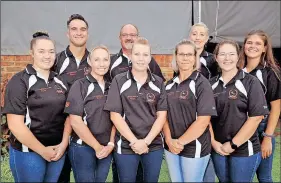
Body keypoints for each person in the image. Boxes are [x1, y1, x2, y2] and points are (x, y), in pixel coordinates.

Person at [3, 31, 71, 182]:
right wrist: (42, 150)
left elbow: (68, 117)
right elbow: (15, 125)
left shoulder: (60, 82)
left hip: (57, 151)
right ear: (31, 53)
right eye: (41, 51)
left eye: (51, 51)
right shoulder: (19, 81)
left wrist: (63, 144)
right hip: (29, 153)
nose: (47, 56)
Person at [104, 37, 167, 182]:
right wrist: (134, 141)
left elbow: (162, 116)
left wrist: (146, 142)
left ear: (150, 57)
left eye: (145, 55)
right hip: (126, 145)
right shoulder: (119, 80)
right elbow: (115, 115)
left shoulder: (158, 82)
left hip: (153, 145)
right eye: (137, 54)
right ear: (131, 56)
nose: (141, 58)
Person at [210, 39, 269, 182]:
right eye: (222, 54)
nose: (227, 58)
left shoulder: (250, 82)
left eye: (231, 54)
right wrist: (213, 142)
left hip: (244, 149)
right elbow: (205, 118)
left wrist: (233, 144)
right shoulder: (210, 84)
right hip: (218, 149)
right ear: (216, 57)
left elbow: (256, 118)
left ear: (238, 56)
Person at [163, 39, 217, 182]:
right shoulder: (168, 85)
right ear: (176, 57)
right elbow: (163, 117)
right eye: (181, 54)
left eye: (189, 54)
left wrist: (179, 143)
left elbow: (203, 121)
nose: (185, 58)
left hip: (195, 147)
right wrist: (169, 140)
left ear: (195, 58)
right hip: (171, 146)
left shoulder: (202, 83)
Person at [64, 46, 115, 182]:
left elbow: (116, 118)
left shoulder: (112, 87)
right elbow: (75, 121)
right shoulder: (79, 85)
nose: (101, 63)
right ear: (90, 62)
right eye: (97, 59)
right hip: (83, 147)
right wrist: (97, 147)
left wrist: (110, 144)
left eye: (105, 60)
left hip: (106, 148)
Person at [52, 14, 90, 183]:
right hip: (59, 130)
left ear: (87, 33)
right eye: (74, 29)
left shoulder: (96, 61)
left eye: (82, 29)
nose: (78, 33)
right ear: (67, 33)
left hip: (88, 133)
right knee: (60, 177)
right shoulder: (56, 60)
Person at [240, 30, 281, 183]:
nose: (252, 46)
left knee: (264, 177)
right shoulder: (238, 71)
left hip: (261, 130)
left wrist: (268, 137)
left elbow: (276, 108)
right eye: (249, 42)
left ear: (264, 48)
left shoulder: (270, 73)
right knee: (242, 176)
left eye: (258, 43)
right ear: (244, 46)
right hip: (241, 129)